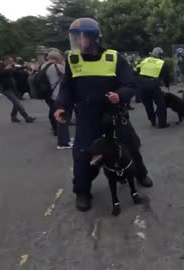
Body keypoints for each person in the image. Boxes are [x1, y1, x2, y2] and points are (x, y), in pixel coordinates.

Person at [54, 18, 153, 212]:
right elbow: (67, 88)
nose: (77, 42)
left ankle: (139, 174)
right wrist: (60, 106)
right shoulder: (73, 59)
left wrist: (120, 95)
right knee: (83, 153)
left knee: (130, 146)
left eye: (80, 37)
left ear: (93, 38)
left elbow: (129, 84)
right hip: (87, 116)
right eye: (74, 37)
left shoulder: (114, 57)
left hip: (113, 113)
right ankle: (82, 191)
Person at [42, 50, 73, 150]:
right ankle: (63, 142)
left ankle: (65, 139)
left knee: (59, 117)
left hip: (51, 95)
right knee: (63, 118)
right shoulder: (57, 66)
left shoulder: (44, 66)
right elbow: (69, 75)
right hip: (59, 95)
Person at [137, 47, 170, 128]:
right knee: (161, 103)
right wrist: (167, 85)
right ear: (160, 55)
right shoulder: (161, 62)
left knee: (148, 104)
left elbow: (137, 70)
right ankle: (162, 123)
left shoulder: (144, 60)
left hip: (141, 85)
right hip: (153, 85)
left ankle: (152, 121)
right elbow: (166, 76)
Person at [0, 56, 35, 123]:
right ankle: (26, 117)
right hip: (5, 88)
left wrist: (25, 70)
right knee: (17, 102)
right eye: (10, 61)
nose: (12, 62)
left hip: (13, 87)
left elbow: (16, 73)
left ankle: (13, 116)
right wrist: (6, 69)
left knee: (16, 103)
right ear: (5, 61)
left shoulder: (11, 66)